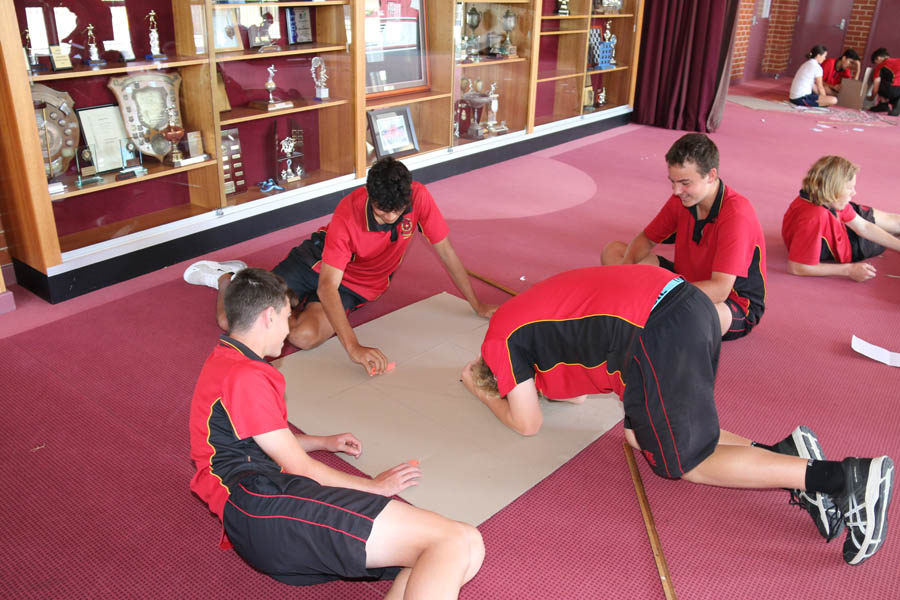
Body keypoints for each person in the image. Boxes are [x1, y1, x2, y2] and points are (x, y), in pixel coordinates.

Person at [461, 265, 894, 566]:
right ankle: (785, 455)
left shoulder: (500, 342)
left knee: (686, 461)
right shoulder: (528, 315)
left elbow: (527, 423)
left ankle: (842, 479)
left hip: (658, 333)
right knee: (639, 436)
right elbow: (575, 395)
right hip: (687, 304)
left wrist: (481, 394)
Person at [190, 268, 484, 595]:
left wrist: (322, 441)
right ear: (269, 317)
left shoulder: (226, 361)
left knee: (467, 546)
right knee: (450, 542)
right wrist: (375, 487)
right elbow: (301, 468)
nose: (289, 329)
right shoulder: (247, 376)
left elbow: (254, 440)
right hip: (264, 505)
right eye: (287, 317)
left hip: (260, 513)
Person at [184, 157, 497, 375]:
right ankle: (229, 278)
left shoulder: (419, 198)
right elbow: (326, 286)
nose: (391, 219)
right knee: (229, 320)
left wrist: (477, 304)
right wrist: (354, 347)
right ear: (370, 196)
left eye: (398, 212)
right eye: (382, 213)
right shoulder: (348, 213)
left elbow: (447, 252)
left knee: (303, 337)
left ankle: (288, 303)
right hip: (314, 264)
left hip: (356, 285)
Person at [600, 133, 766, 340]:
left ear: (711, 175)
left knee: (695, 317)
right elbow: (646, 239)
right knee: (614, 251)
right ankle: (647, 308)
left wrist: (660, 297)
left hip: (730, 302)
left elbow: (720, 289)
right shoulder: (681, 200)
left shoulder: (737, 215)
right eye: (673, 182)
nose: (677, 191)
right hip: (685, 281)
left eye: (685, 183)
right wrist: (624, 275)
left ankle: (648, 310)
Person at [782, 155, 900, 281]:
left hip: (839, 219)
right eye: (849, 188)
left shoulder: (825, 197)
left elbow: (864, 226)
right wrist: (848, 270)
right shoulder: (814, 217)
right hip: (852, 245)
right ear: (833, 188)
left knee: (896, 222)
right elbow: (797, 267)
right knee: (892, 232)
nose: (854, 192)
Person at [869, 47, 900, 116]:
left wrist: (871, 97)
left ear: (878, 58)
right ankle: (896, 106)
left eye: (876, 63)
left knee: (881, 81)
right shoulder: (898, 60)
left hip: (893, 90)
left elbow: (876, 86)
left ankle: (883, 105)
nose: (876, 65)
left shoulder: (881, 65)